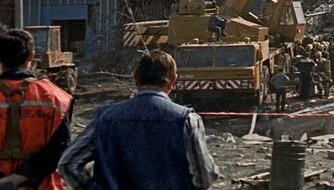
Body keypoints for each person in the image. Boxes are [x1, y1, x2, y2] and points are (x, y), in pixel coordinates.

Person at [58, 50, 219, 190]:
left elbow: (69, 163)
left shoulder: (105, 118)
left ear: (135, 78)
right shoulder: (187, 120)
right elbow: (205, 177)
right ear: (173, 81)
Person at [0, 29, 74, 190]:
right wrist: (22, 177)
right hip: (43, 185)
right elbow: (60, 149)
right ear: (31, 56)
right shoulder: (57, 98)